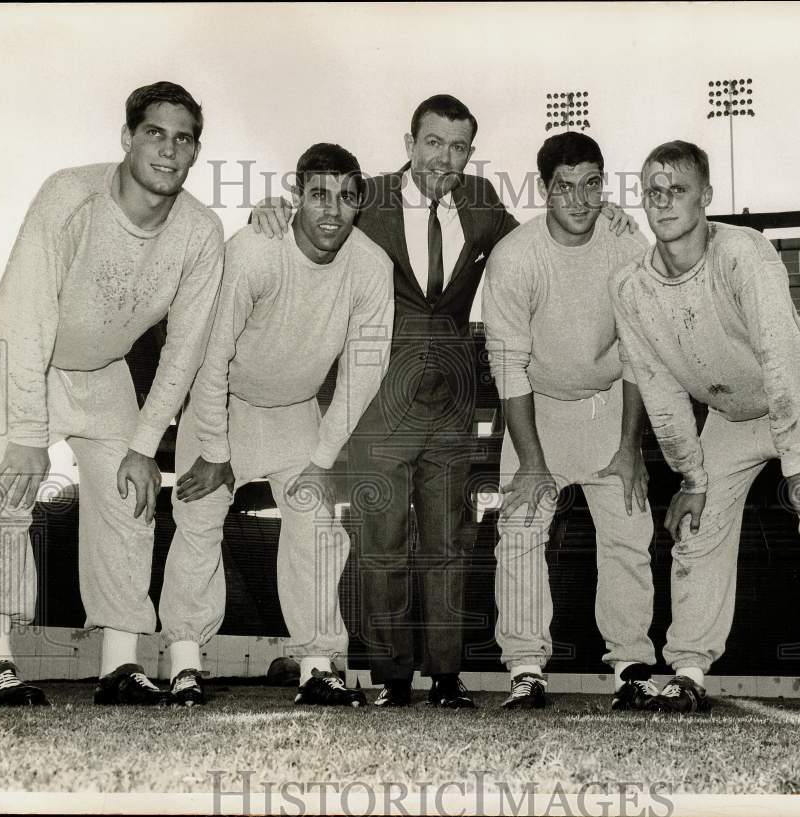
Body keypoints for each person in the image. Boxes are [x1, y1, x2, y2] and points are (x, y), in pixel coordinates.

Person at [251, 95, 637, 708]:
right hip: (377, 394)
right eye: (434, 143)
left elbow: (546, 242)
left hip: (454, 399)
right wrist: (273, 208)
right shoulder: (364, 197)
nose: (445, 159)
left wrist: (608, 216)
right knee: (379, 540)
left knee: (450, 542)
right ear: (409, 144)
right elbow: (312, 223)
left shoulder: (482, 202)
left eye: (458, 147)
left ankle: (447, 676)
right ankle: (391, 678)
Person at [0, 81, 224, 706]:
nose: (168, 150)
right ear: (128, 138)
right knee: (11, 491)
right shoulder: (68, 195)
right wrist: (27, 434)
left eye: (183, 139)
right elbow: (25, 315)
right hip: (22, 353)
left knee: (130, 496)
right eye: (155, 133)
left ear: (194, 154)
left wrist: (143, 442)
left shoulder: (201, 232)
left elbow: (183, 350)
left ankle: (118, 666)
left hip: (103, 368)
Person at [610, 140, 800, 718]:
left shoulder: (746, 254)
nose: (662, 203)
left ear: (706, 197)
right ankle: (686, 671)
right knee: (698, 528)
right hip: (732, 415)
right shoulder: (629, 287)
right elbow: (658, 387)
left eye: (677, 190)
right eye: (652, 192)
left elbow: (779, 358)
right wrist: (691, 475)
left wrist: (799, 461)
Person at [160, 143, 393, 707]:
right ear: (296, 198)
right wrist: (214, 448)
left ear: (359, 203)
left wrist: (322, 459)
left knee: (315, 525)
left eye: (344, 196)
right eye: (318, 195)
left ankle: (318, 667)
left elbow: (364, 371)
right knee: (198, 514)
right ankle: (186, 665)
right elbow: (211, 356)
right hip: (226, 405)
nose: (331, 210)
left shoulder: (371, 266)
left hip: (297, 413)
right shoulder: (255, 251)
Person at [482, 131, 657, 711]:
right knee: (522, 533)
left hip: (609, 407)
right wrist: (531, 462)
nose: (580, 201)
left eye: (591, 185)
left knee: (629, 531)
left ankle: (631, 665)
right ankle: (527, 667)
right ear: (543, 189)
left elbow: (639, 352)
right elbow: (509, 367)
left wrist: (630, 446)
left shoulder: (627, 243)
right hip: (538, 411)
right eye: (565, 188)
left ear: (603, 185)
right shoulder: (515, 257)